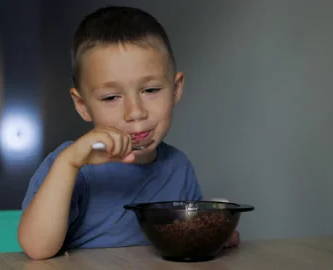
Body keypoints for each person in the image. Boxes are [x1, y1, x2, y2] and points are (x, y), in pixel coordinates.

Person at [18, 6, 240, 260]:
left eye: (151, 90)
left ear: (176, 89)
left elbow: (187, 238)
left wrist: (214, 236)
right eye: (111, 97)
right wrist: (69, 164)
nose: (135, 112)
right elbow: (37, 249)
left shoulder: (178, 167)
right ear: (83, 106)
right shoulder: (70, 165)